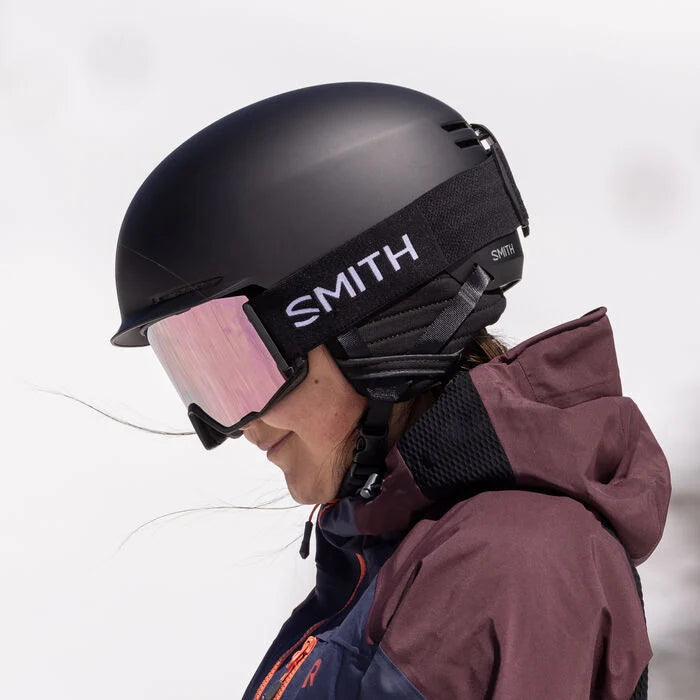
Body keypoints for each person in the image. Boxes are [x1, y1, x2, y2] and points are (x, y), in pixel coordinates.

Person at [110, 82, 671, 699]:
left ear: (368, 319)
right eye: (200, 376)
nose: (237, 425)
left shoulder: (509, 563)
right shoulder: (390, 567)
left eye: (239, 366)